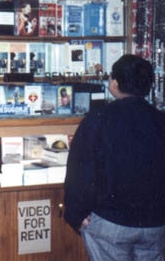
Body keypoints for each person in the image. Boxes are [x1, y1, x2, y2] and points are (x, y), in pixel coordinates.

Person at [64, 54, 165, 261]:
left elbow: (80, 171)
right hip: (155, 224)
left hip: (110, 224)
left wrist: (77, 214)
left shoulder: (98, 120)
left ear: (116, 83)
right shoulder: (160, 120)